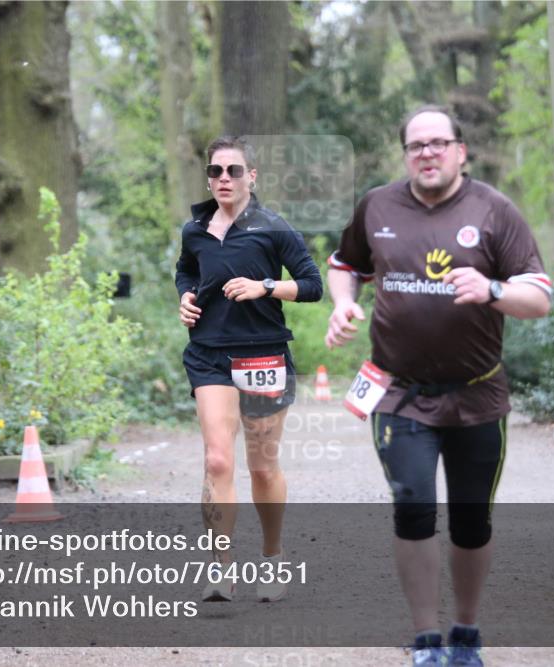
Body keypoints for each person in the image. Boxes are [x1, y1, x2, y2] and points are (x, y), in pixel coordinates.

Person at [324, 105, 552, 666]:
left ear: (460, 151)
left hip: (477, 395)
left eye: (437, 143)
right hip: (398, 394)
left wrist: (493, 289)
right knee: (414, 507)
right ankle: (426, 640)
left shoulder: (494, 212)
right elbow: (344, 264)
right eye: (416, 145)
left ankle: (466, 634)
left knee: (472, 520)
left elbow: (540, 298)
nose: (427, 153)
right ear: (406, 154)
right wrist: (344, 304)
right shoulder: (377, 205)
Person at [175, 135, 323, 603]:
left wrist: (266, 286)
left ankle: (273, 557)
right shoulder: (194, 229)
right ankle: (221, 568)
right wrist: (185, 296)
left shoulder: (274, 227)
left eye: (233, 171)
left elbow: (313, 285)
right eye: (216, 171)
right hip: (209, 355)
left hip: (263, 355)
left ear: (251, 177)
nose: (223, 178)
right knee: (217, 459)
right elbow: (186, 270)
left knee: (262, 468)